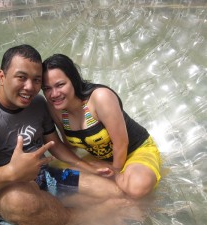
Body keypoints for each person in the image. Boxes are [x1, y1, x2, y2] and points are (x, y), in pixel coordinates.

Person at [0, 45, 125, 225]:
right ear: (2, 76)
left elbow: (55, 144)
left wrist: (87, 167)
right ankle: (75, 218)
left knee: (114, 192)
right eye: (21, 77)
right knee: (16, 200)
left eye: (36, 80)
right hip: (8, 189)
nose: (29, 87)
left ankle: (66, 213)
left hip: (44, 176)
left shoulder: (37, 103)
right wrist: (10, 172)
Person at [42, 53, 162, 199]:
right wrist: (80, 166)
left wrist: (115, 173)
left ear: (73, 80)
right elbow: (69, 145)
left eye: (60, 85)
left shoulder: (100, 97)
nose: (54, 94)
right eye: (47, 88)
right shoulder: (55, 108)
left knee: (136, 187)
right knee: (53, 176)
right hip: (101, 159)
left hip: (135, 151)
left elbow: (121, 143)